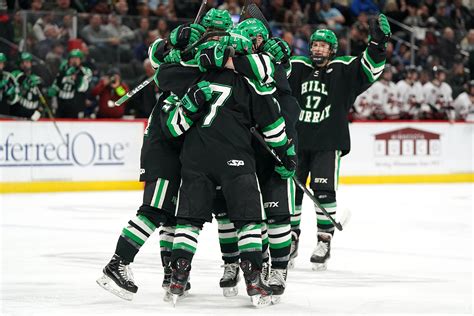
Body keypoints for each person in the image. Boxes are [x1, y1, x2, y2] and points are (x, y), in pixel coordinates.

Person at [287, 14, 390, 271]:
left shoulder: (343, 69)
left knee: (324, 193)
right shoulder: (297, 66)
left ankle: (324, 240)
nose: (317, 48)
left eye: (322, 45)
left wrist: (377, 44)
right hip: (295, 143)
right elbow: (269, 74)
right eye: (314, 44)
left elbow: (371, 68)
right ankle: (290, 237)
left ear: (332, 50)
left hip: (327, 143)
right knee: (291, 194)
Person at [47, 49, 92, 118]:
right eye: (72, 58)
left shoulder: (85, 71)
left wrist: (77, 77)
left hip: (76, 104)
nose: (74, 60)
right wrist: (53, 90)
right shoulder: (63, 70)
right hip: (61, 103)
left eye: (76, 58)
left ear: (80, 60)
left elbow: (83, 88)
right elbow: (57, 83)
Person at [10, 52, 43, 121]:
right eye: (23, 62)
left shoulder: (37, 78)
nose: (25, 64)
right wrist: (24, 87)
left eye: (27, 62)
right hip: (18, 113)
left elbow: (41, 97)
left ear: (31, 63)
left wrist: (39, 111)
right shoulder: (16, 75)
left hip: (33, 114)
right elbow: (12, 96)